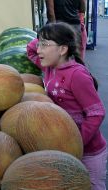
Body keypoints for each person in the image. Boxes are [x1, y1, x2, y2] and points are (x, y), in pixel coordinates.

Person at [27, 22, 107, 190]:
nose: (39, 50)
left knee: (93, 186)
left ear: (63, 50)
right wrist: (44, 37)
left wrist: (77, 142)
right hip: (64, 146)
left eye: (44, 45)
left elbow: (96, 113)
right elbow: (30, 50)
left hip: (88, 151)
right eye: (39, 44)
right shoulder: (49, 67)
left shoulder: (77, 75)